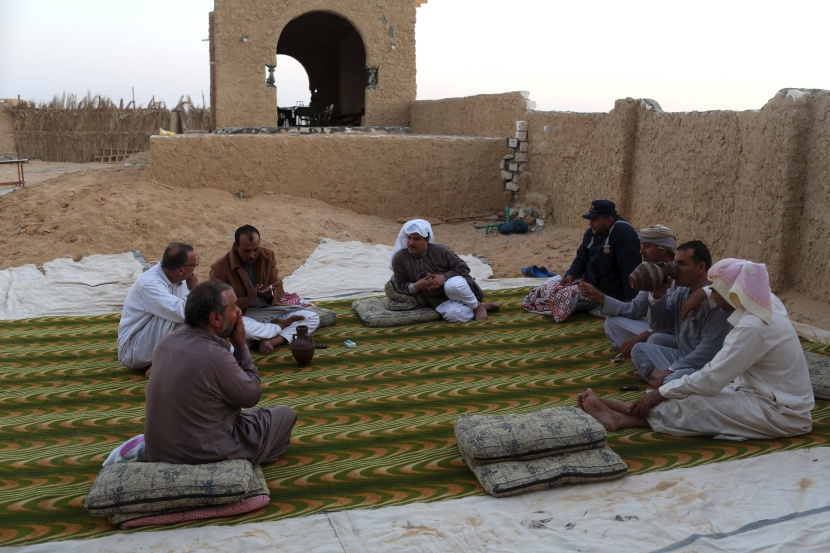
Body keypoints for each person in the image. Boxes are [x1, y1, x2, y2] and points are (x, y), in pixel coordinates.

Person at [578, 258, 814, 440]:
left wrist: (659, 394)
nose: (711, 292)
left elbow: (711, 378)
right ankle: (630, 409)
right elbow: (729, 288)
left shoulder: (753, 327)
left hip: (782, 413)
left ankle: (622, 418)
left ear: (733, 293)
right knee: (687, 389)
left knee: (698, 403)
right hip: (755, 391)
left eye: (714, 288)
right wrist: (703, 293)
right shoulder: (766, 300)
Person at [144, 280, 297, 467]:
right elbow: (251, 395)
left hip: (159, 452)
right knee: (285, 415)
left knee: (244, 415)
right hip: (203, 456)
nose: (239, 313)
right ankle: (241, 464)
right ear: (215, 319)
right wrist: (241, 344)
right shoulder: (215, 356)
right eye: (234, 308)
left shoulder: (167, 341)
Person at [630, 240, 731, 386]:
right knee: (639, 350)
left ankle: (660, 381)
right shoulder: (682, 293)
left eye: (682, 264)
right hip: (683, 359)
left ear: (701, 267)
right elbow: (659, 324)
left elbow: (709, 352)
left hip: (706, 366)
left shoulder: (717, 299)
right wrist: (658, 294)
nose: (675, 269)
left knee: (674, 378)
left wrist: (672, 369)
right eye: (675, 263)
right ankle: (664, 383)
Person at [210, 225, 320, 354]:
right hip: (244, 315)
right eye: (246, 251)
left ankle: (271, 341)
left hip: (270, 311)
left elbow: (279, 287)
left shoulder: (268, 256)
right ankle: (277, 327)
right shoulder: (219, 268)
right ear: (236, 246)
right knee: (236, 329)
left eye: (255, 250)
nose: (252, 255)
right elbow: (217, 304)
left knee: (311, 317)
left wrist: (270, 294)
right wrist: (246, 301)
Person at [579, 224, 679, 355]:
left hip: (678, 335)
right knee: (612, 322)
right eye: (642, 245)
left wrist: (641, 336)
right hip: (656, 328)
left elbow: (675, 325)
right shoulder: (652, 272)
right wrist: (600, 297)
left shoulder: (681, 276)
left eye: (647, 246)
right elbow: (635, 309)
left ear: (664, 249)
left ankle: (649, 355)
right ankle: (645, 352)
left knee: (655, 339)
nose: (641, 251)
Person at [390, 219, 498, 322]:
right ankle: (480, 307)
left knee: (452, 285)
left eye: (416, 239)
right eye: (409, 238)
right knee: (456, 315)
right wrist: (416, 286)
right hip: (437, 300)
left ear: (426, 240)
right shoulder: (400, 259)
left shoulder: (441, 251)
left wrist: (443, 277)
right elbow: (400, 285)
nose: (411, 242)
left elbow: (463, 268)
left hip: (459, 290)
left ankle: (476, 305)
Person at [117, 242, 199, 374]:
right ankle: (162, 363)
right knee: (181, 316)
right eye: (194, 265)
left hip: (152, 340)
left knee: (194, 316)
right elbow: (183, 312)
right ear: (181, 270)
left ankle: (165, 361)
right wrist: (194, 290)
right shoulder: (149, 283)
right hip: (132, 350)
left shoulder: (181, 277)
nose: (195, 269)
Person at [562, 200, 641, 310]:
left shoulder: (624, 234)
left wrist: (629, 307)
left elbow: (629, 272)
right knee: (549, 291)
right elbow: (581, 257)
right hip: (590, 287)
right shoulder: (592, 232)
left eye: (595, 220)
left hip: (609, 294)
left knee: (562, 302)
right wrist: (570, 275)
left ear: (609, 220)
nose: (590, 224)